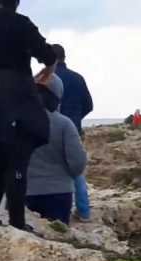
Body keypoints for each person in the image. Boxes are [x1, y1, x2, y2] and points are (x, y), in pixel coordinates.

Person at [0, 0, 57, 231]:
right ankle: (17, 223)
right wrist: (49, 70)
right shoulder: (20, 23)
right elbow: (47, 53)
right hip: (15, 96)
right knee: (17, 161)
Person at [26, 74, 87, 225]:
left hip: (23, 193)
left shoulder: (17, 121)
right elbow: (78, 164)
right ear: (57, 96)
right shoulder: (64, 124)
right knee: (56, 241)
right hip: (58, 194)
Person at [51, 44, 93, 222]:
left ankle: (52, 213)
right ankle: (83, 212)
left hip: (48, 129)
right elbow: (89, 105)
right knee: (77, 171)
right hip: (73, 129)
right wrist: (75, 119)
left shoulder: (45, 79)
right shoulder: (78, 78)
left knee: (47, 168)